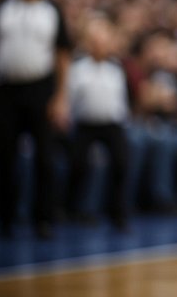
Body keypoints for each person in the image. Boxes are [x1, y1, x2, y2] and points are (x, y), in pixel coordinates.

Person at [0, 0, 72, 239]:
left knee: (44, 158)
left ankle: (42, 219)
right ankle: (4, 218)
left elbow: (62, 55)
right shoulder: (2, 7)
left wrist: (60, 97)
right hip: (5, 90)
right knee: (4, 157)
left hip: (40, 89)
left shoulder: (52, 10)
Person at [64, 12, 132, 232]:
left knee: (121, 164)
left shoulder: (116, 68)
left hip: (112, 125)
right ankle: (74, 210)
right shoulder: (76, 68)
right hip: (85, 125)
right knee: (78, 165)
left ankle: (118, 214)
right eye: (95, 41)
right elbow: (69, 100)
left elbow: (121, 100)